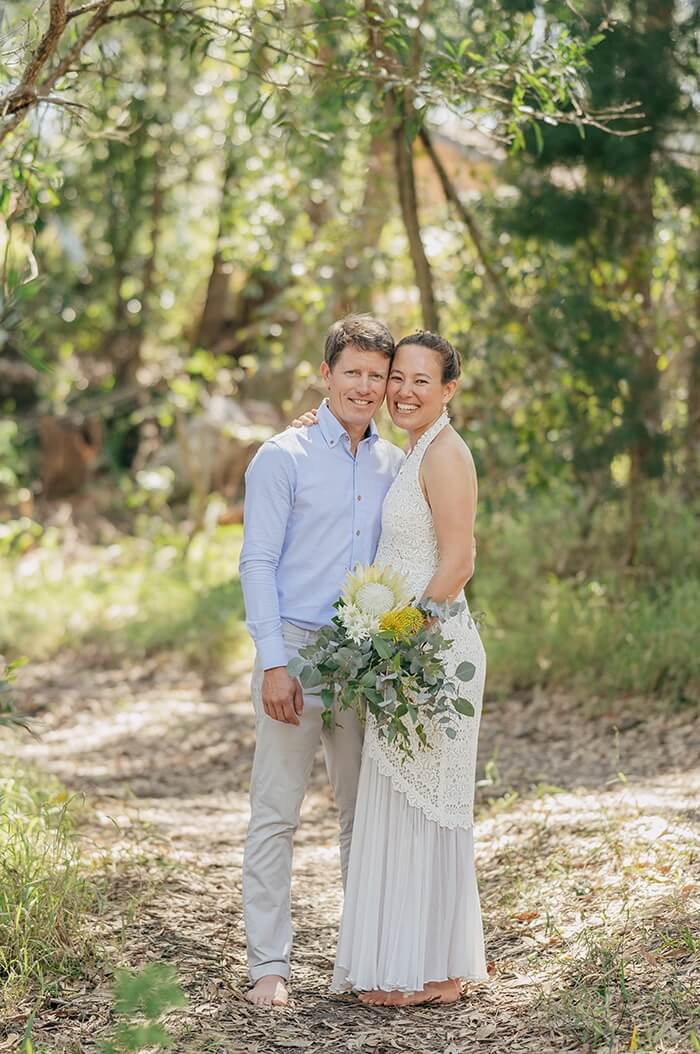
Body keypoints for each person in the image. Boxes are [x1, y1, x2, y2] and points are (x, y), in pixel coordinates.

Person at [238, 314, 404, 1008]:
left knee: (362, 817)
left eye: (377, 375)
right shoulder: (284, 456)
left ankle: (360, 959)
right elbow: (257, 562)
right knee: (276, 812)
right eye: (353, 373)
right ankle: (268, 967)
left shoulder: (394, 464)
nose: (365, 387)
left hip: (363, 658)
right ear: (327, 375)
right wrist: (274, 662)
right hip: (297, 652)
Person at [330, 330, 487, 1005]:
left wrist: (403, 635)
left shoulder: (447, 454)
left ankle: (436, 973)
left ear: (448, 389)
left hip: (433, 651)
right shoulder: (413, 451)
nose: (403, 391)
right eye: (398, 378)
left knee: (428, 806)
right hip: (406, 653)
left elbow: (459, 561)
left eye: (422, 380)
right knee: (404, 802)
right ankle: (421, 964)